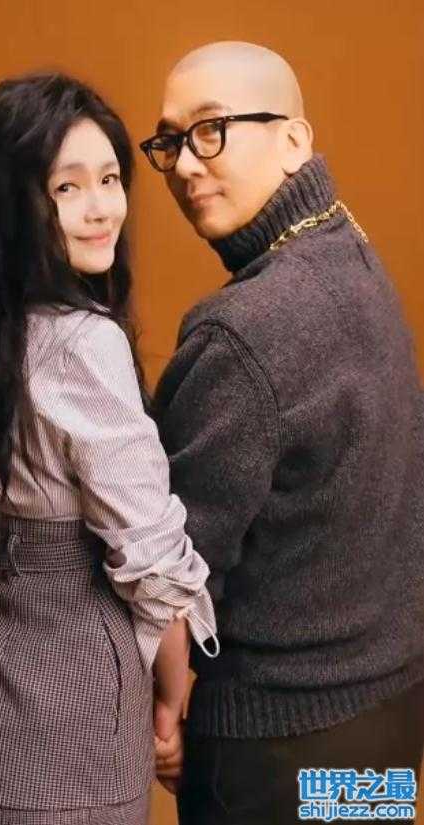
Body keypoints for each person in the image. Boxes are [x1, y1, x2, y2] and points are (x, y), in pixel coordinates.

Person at [0, 71, 218, 825]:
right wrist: (170, 705)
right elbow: (152, 560)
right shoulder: (82, 342)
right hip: (65, 743)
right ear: (7, 204)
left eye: (109, 178)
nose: (102, 207)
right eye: (65, 188)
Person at [139, 41, 424, 823]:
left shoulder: (239, 330)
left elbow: (173, 572)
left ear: (294, 140)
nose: (184, 165)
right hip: (391, 722)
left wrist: (164, 716)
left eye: (211, 130)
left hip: (276, 750)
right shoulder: (353, 257)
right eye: (169, 141)